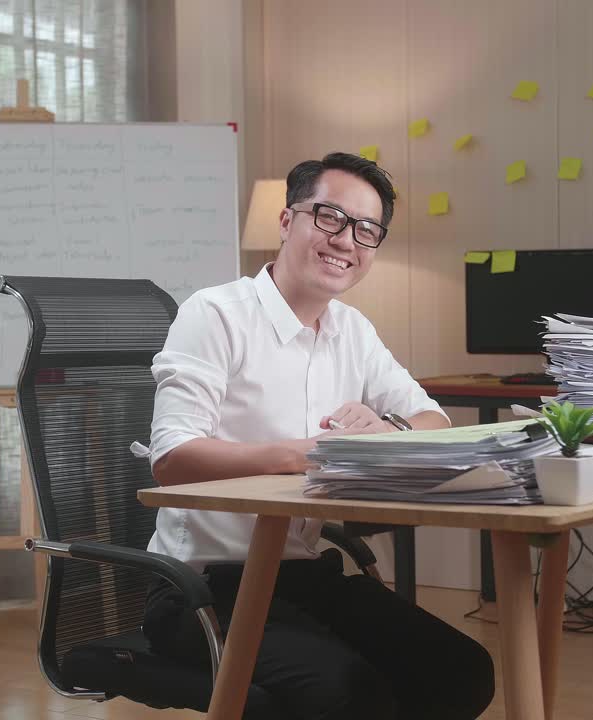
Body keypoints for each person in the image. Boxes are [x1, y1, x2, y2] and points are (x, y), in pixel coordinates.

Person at [141, 152, 495, 720]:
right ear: (287, 222)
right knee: (349, 691)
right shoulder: (216, 314)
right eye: (329, 217)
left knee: (462, 672)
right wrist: (303, 454)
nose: (346, 240)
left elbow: (435, 420)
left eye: (366, 229)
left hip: (302, 575)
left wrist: (386, 428)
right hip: (203, 590)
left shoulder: (351, 329)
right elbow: (173, 459)